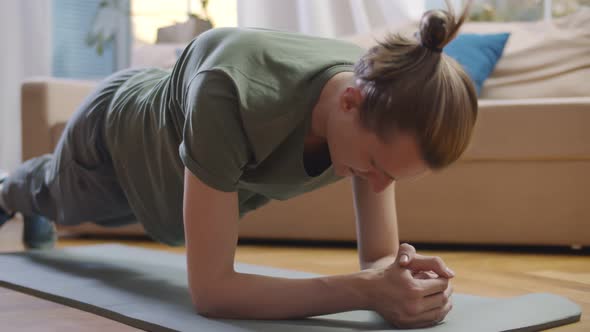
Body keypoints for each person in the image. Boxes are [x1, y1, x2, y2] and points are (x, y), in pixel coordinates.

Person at [0, 0, 477, 328]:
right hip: (114, 142)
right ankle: (8, 189)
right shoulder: (229, 91)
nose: (378, 187)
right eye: (375, 165)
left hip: (167, 187)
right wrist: (366, 292)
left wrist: (401, 277)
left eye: (392, 177)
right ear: (350, 102)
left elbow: (376, 260)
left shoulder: (376, 106)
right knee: (54, 198)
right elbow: (212, 293)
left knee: (93, 209)